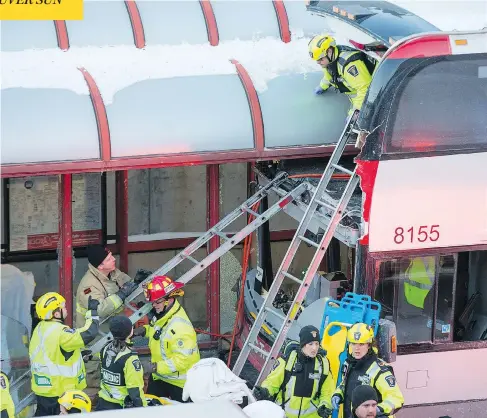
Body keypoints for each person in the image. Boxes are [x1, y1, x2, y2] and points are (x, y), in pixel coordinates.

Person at [75, 244, 149, 388]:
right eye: (109, 259)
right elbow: (101, 309)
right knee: (95, 384)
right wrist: (121, 294)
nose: (113, 260)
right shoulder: (88, 286)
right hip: (95, 339)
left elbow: (126, 285)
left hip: (111, 336)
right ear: (100, 266)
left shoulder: (112, 273)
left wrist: (136, 282)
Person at [29, 292, 99, 416]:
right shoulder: (60, 332)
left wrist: (76, 355)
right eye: (63, 307)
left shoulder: (40, 328)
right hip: (60, 393)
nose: (66, 309)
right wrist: (92, 313)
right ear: (56, 313)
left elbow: (52, 353)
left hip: (44, 391)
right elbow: (89, 333)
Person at [133, 276, 200, 402]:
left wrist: (154, 367)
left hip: (180, 384)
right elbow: (159, 331)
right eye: (152, 302)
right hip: (160, 377)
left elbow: (182, 360)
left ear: (169, 299)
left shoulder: (180, 327)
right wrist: (144, 331)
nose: (154, 305)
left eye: (157, 302)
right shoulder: (164, 314)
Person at [253, 325, 335, 418]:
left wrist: (325, 405)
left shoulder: (323, 365)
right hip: (284, 415)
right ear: (303, 344)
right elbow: (272, 382)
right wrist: (265, 391)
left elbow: (327, 392)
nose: (314, 348)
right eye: (311, 344)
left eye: (317, 344)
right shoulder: (288, 361)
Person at [331, 323, 404, 418]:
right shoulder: (348, 364)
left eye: (361, 344)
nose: (356, 348)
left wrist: (377, 410)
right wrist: (338, 394)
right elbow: (345, 385)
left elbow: (396, 398)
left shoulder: (380, 369)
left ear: (369, 345)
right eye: (353, 343)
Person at [308, 34, 376, 118]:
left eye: (320, 59)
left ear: (329, 51)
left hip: (367, 96)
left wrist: (355, 112)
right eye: (316, 60)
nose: (318, 62)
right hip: (357, 92)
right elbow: (330, 75)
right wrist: (322, 86)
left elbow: (365, 89)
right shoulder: (328, 60)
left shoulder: (349, 65)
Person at [96, 316, 146, 410]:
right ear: (131, 331)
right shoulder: (130, 358)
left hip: (103, 403)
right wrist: (142, 409)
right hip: (120, 407)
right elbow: (134, 390)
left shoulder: (105, 348)